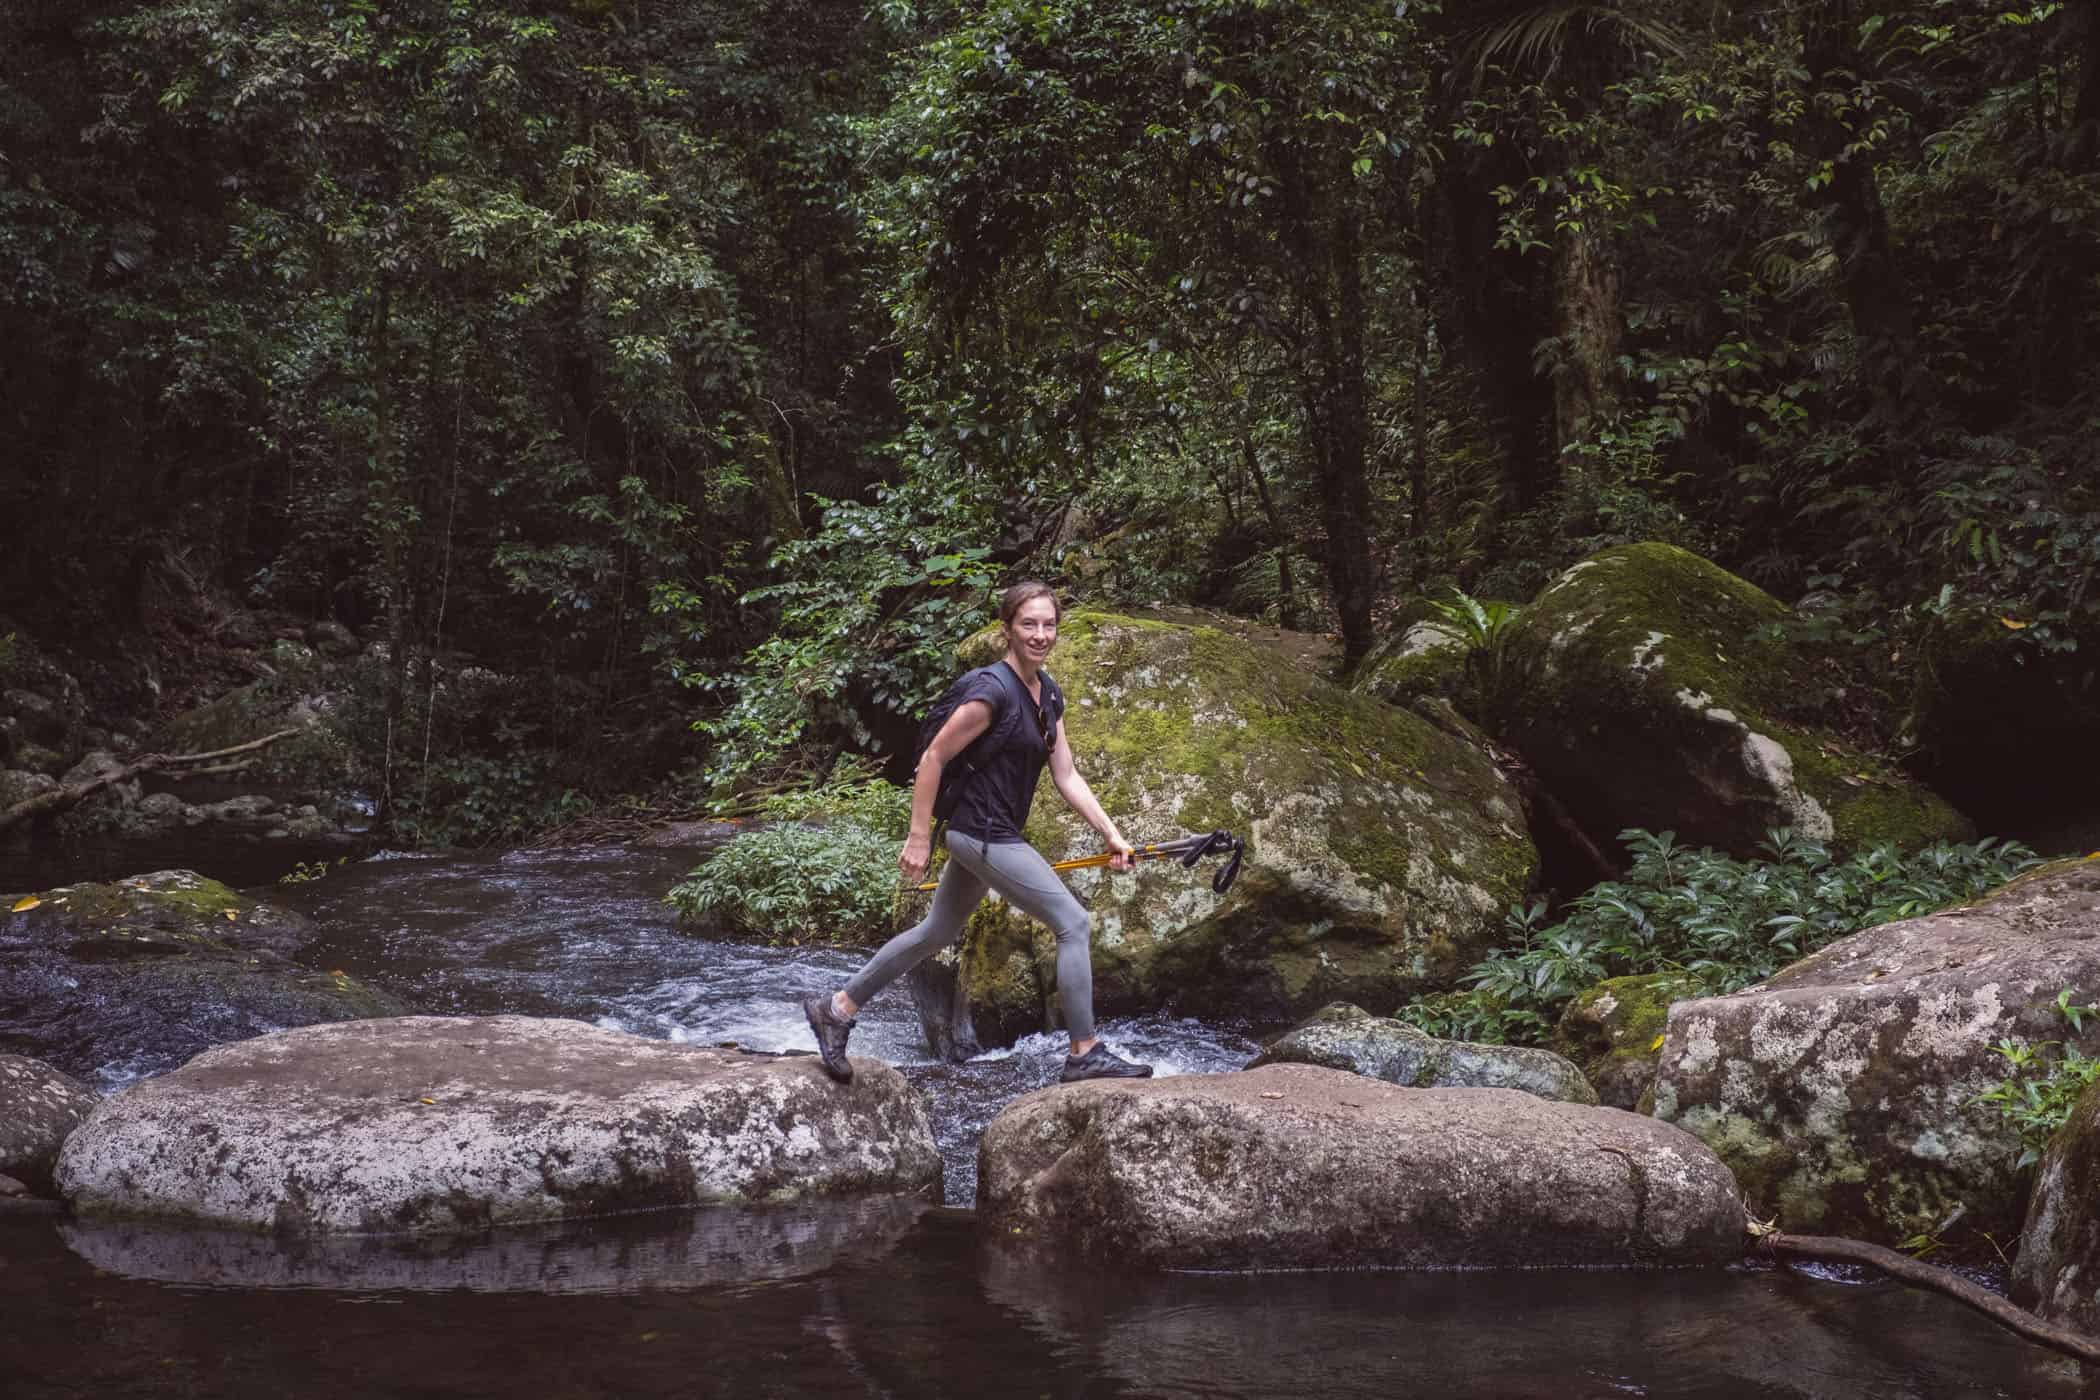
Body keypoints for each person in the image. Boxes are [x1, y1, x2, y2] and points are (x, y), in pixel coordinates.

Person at [802, 581, 1154, 1085]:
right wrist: (918, 836)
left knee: (935, 932)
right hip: (981, 835)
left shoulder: (1046, 692)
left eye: (1048, 624)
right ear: (1008, 628)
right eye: (1029, 624)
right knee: (1072, 924)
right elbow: (933, 758)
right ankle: (1084, 1052)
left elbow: (1066, 775)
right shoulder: (992, 692)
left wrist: (1111, 834)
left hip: (992, 833)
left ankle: (835, 1009)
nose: (1040, 634)